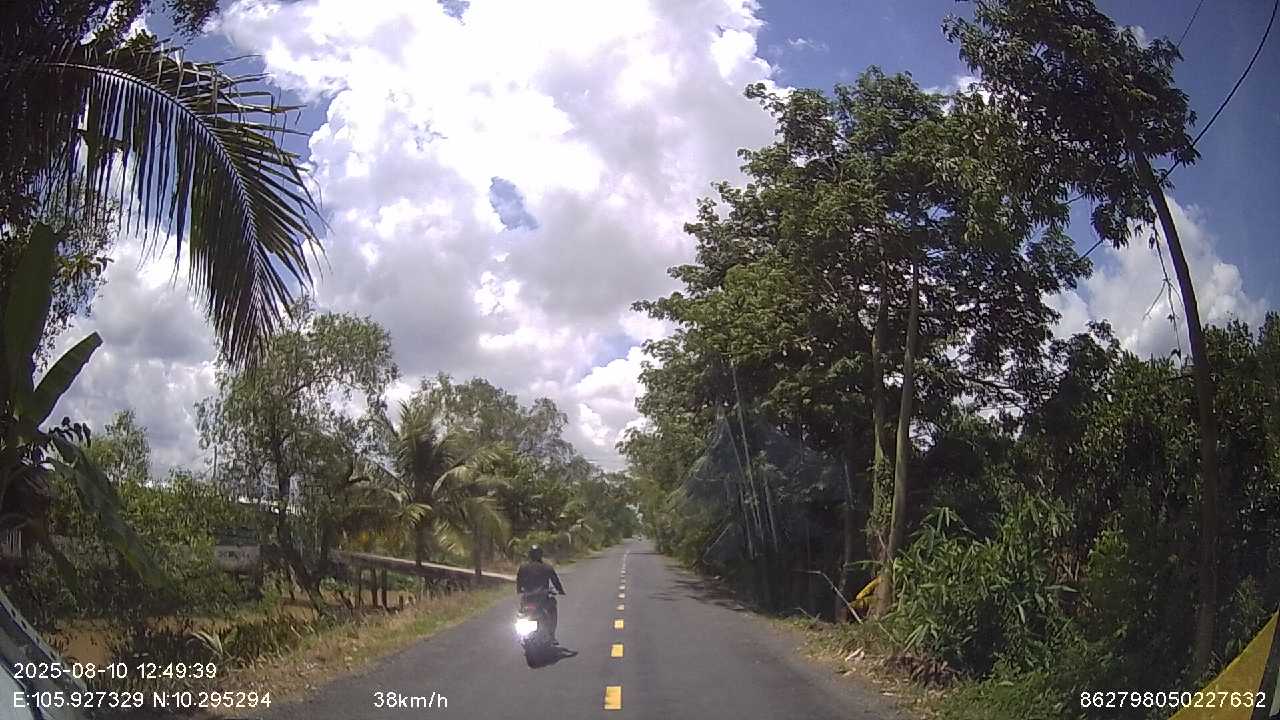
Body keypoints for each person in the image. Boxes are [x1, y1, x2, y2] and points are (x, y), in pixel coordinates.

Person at [516, 545, 565, 643]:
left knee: (521, 612)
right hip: (542, 597)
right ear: (540, 554)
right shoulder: (547, 567)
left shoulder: (523, 567)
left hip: (527, 597)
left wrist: (519, 590)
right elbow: (555, 581)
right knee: (552, 608)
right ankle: (551, 634)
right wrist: (560, 590)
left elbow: (519, 581)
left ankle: (522, 633)